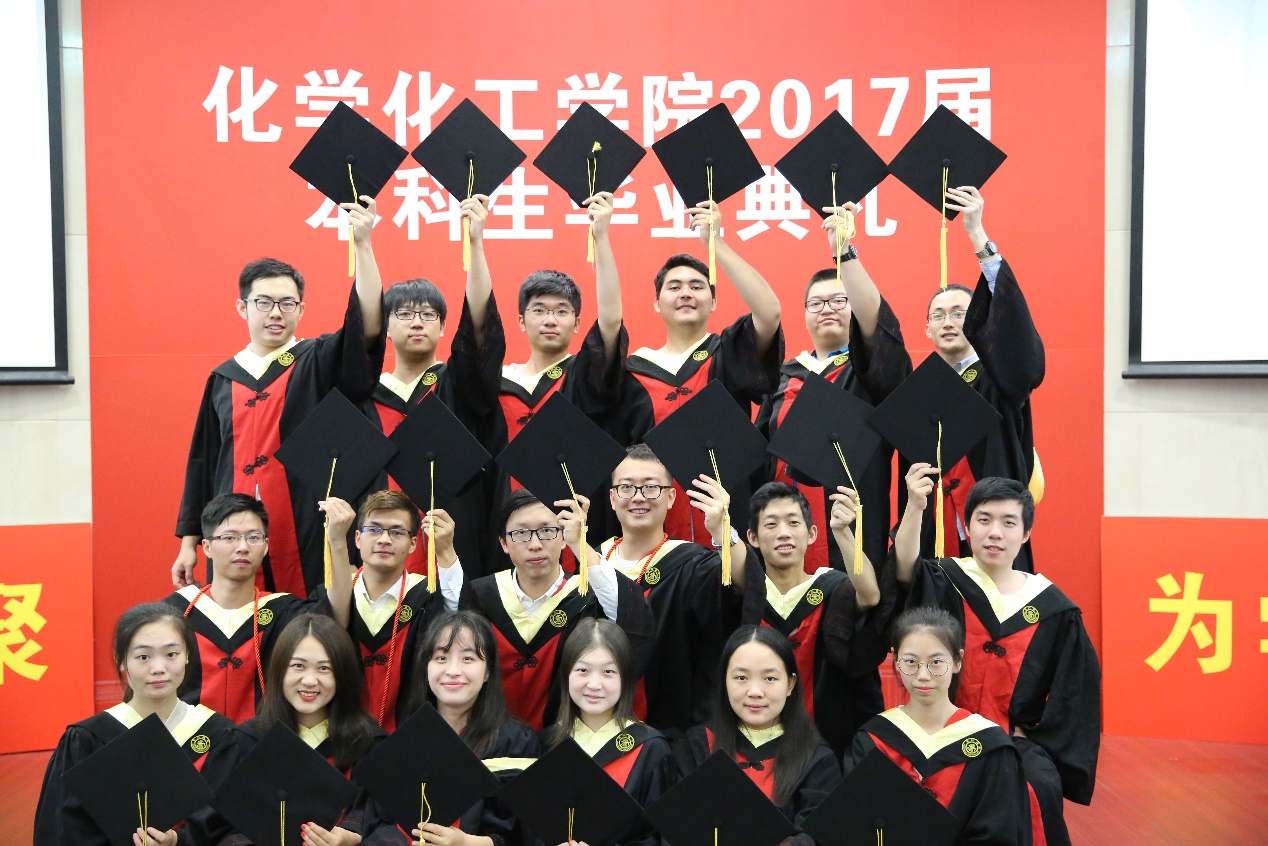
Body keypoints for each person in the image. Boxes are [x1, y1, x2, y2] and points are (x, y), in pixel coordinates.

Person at [173, 196, 386, 596]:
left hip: (303, 521)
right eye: (264, 303)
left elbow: (368, 326)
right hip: (233, 531)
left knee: (303, 614)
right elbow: (202, 462)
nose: (276, 313)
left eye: (287, 304)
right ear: (243, 308)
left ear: (300, 310)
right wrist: (189, 543)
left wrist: (363, 245)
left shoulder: (316, 361)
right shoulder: (223, 378)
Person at [895, 472, 1101, 846]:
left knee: (1038, 786)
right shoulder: (946, 579)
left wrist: (1036, 736)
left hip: (1010, 741)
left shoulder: (1053, 608)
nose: (995, 533)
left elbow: (1076, 690)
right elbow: (906, 567)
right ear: (968, 526)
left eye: (1009, 523)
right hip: (935, 727)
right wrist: (914, 505)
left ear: (1025, 533)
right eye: (984, 519)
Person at [470, 193, 627, 575]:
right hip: (503, 513)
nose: (550, 320)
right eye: (539, 310)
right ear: (521, 321)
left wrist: (601, 237)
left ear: (577, 323)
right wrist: (475, 241)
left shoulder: (581, 375)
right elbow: (477, 321)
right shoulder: (497, 382)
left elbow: (610, 322)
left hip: (570, 516)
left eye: (562, 311)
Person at [616, 202, 784, 544]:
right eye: (674, 287)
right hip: (652, 526)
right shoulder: (631, 372)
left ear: (713, 301)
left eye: (697, 286)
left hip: (728, 520)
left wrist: (715, 242)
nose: (686, 293)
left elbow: (769, 313)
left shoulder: (728, 352)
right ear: (657, 302)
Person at [756, 205, 911, 573]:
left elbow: (876, 324)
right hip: (784, 532)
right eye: (816, 303)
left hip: (853, 525)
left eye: (840, 301)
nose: (827, 308)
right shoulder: (783, 376)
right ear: (804, 313)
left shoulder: (866, 373)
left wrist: (844, 252)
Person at [365, 196, 505, 575]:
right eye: (404, 314)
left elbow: (479, 328)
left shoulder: (454, 384)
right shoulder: (367, 395)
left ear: (444, 327)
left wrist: (475, 242)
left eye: (428, 315)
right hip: (379, 539)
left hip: (451, 535)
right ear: (386, 326)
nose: (417, 322)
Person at [34, 602, 236, 846]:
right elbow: (62, 832)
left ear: (187, 656)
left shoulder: (219, 735)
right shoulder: (89, 739)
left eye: (171, 654)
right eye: (143, 657)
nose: (158, 669)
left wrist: (178, 840)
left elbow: (230, 826)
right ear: (121, 660)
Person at [919, 187, 1044, 571]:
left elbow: (1022, 353)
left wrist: (978, 237)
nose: (948, 321)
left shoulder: (999, 378)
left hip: (994, 537)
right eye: (938, 315)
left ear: (977, 320)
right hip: (937, 537)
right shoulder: (920, 392)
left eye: (959, 312)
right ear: (927, 329)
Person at [460, 489, 650, 731]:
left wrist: (579, 543)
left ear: (563, 537)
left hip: (567, 739)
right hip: (490, 740)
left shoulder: (588, 599)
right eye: (521, 533)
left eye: (548, 531)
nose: (535, 544)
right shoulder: (480, 595)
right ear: (503, 543)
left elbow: (632, 618)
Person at [846, 606, 1034, 846]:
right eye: (910, 661)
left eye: (936, 662)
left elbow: (999, 833)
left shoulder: (991, 746)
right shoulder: (874, 739)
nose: (923, 675)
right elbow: (858, 823)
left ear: (957, 661)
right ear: (895, 660)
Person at [592, 444, 746, 734]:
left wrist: (722, 530)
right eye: (626, 487)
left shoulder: (692, 565)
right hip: (595, 730)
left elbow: (742, 588)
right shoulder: (592, 564)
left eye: (651, 487)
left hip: (673, 733)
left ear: (671, 497)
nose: (638, 497)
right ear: (612, 498)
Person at [738, 482, 889, 756]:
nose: (784, 533)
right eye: (771, 524)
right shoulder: (747, 596)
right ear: (753, 537)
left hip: (827, 742)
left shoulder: (831, 587)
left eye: (793, 522)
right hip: (755, 745)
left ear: (811, 534)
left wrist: (842, 531)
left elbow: (870, 596)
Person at [223, 613, 388, 844]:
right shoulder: (247, 743)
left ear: (343, 675)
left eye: (324, 668)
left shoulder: (369, 746)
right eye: (298, 666)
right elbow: (218, 828)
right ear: (280, 670)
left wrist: (352, 839)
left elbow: (386, 824)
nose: (310, 680)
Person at [674, 626, 839, 846]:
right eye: (741, 677)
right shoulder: (697, 746)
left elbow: (819, 835)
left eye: (769, 678)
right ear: (724, 681)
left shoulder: (816, 759)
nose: (755, 691)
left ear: (790, 684)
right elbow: (675, 827)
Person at [162, 493, 317, 723]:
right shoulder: (173, 613)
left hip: (262, 740)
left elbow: (338, 614)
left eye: (253, 537)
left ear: (265, 546)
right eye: (230, 537)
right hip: (186, 741)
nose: (243, 547)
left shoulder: (285, 612)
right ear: (206, 547)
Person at [394, 611, 540, 846]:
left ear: (488, 671)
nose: (453, 670)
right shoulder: (409, 740)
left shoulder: (515, 744)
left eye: (468, 658)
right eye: (441, 657)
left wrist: (467, 843)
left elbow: (522, 834)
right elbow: (380, 821)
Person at [321, 490, 463, 732]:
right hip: (340, 735)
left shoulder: (426, 597)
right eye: (374, 529)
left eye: (397, 532)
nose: (384, 539)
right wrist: (335, 540)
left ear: (413, 543)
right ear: (357, 538)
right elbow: (330, 629)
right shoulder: (336, 595)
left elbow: (462, 620)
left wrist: (446, 550)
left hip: (411, 736)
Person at [545, 618, 674, 846]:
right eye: (583, 670)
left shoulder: (651, 749)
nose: (594, 684)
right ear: (566, 675)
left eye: (608, 672)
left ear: (626, 678)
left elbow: (659, 837)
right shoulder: (545, 744)